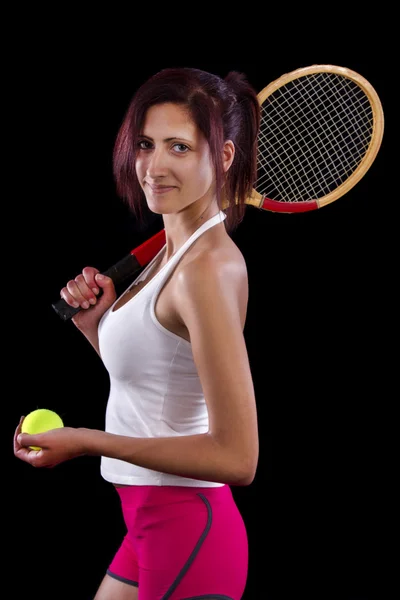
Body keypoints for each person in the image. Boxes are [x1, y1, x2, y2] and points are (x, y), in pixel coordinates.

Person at [14, 66, 261, 600]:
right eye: (146, 144)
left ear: (221, 158)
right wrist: (92, 325)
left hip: (188, 529)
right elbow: (156, 388)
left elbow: (238, 457)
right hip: (149, 524)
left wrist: (84, 442)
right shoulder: (173, 253)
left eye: (179, 147)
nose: (152, 167)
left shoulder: (208, 267)